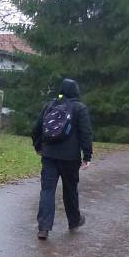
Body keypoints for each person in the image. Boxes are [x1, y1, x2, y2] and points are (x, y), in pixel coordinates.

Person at [31, 78, 93, 240]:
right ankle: (74, 221)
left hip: (49, 155)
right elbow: (85, 133)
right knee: (70, 189)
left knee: (47, 190)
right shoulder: (79, 108)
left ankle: (43, 228)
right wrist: (87, 155)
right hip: (70, 157)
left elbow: (37, 128)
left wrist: (38, 147)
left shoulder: (50, 105)